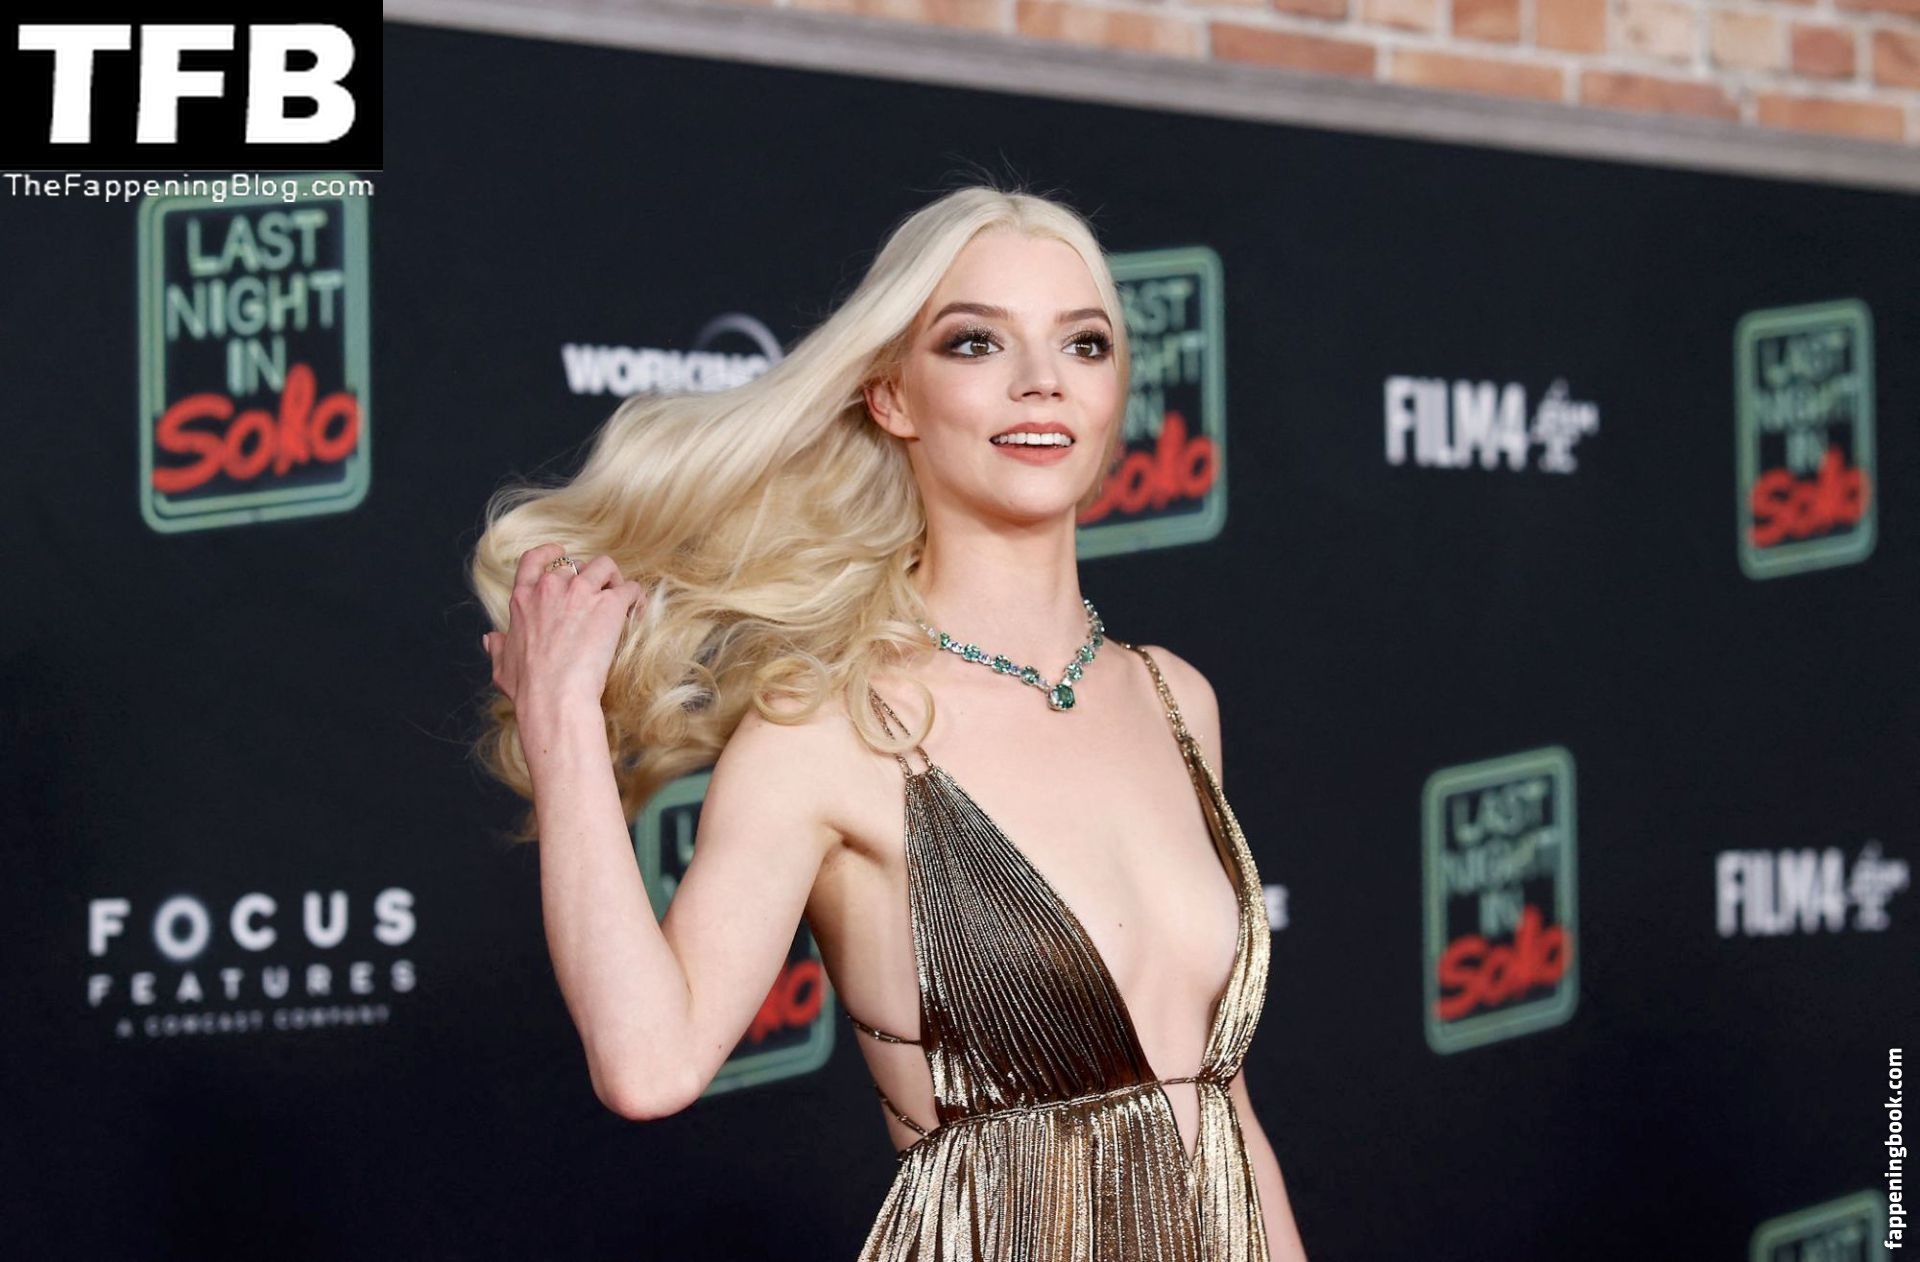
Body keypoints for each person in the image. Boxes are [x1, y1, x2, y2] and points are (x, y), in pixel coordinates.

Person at [471, 182, 1309, 1260]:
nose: (1042, 379)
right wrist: (562, 726)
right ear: (892, 396)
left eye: (1084, 343)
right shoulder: (829, 732)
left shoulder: (1172, 698)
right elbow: (648, 1064)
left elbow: (1222, 1101)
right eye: (975, 342)